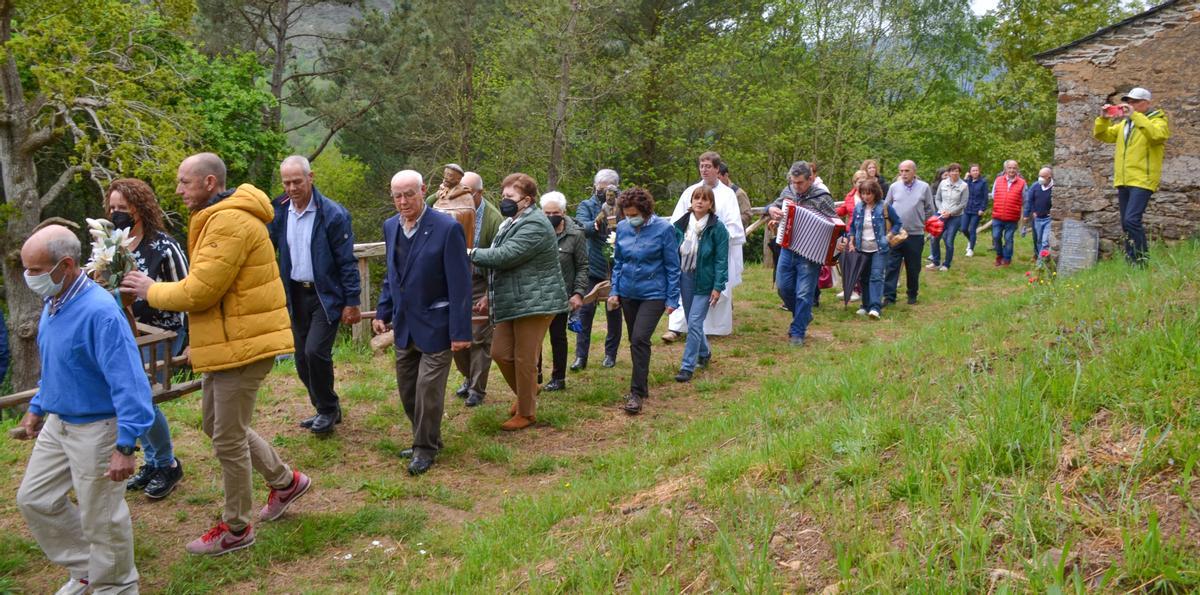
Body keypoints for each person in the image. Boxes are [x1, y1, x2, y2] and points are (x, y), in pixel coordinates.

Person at [121, 153, 310, 556]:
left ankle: (236, 528)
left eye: (184, 182)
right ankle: (285, 481)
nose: (177, 190)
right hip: (228, 342)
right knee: (216, 425)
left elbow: (200, 290)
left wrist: (149, 289)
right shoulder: (218, 215)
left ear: (209, 182)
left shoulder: (228, 221)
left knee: (226, 438)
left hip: (243, 344)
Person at [17, 225, 154, 594]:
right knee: (35, 499)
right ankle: (88, 568)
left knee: (102, 518)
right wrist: (37, 406)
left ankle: (117, 586)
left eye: (35, 270)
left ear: (65, 264)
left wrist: (125, 445)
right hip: (59, 423)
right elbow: (58, 363)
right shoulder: (55, 300)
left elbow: (131, 382)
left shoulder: (99, 312)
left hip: (98, 427)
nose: (29, 278)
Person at [373, 170, 472, 474]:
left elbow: (460, 284)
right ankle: (426, 437)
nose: (403, 202)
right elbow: (393, 276)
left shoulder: (446, 228)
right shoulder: (391, 227)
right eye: (397, 196)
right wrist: (383, 311)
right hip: (404, 325)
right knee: (408, 390)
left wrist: (459, 332)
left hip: (437, 325)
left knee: (428, 391)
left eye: (409, 194)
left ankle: (424, 448)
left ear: (423, 191)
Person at [105, 178, 188, 500]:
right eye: (112, 208)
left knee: (143, 397)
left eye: (122, 208)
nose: (116, 214)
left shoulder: (163, 247)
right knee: (133, 396)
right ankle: (154, 461)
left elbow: (187, 291)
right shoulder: (112, 247)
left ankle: (166, 463)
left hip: (163, 330)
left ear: (139, 208)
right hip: (125, 331)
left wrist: (193, 338)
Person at [268, 155, 361, 435]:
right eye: (286, 182)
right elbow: (265, 244)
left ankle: (327, 410)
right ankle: (325, 405)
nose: (292, 188)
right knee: (300, 359)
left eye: (297, 181)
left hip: (325, 294)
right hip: (294, 293)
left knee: (315, 352)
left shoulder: (332, 214)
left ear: (311, 177)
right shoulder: (279, 210)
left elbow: (347, 261)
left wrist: (352, 302)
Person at [470, 173, 567, 430]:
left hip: (536, 301)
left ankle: (526, 413)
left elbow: (505, 255)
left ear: (527, 199)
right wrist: (489, 296)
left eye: (510, 197)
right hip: (513, 299)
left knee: (525, 358)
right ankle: (529, 391)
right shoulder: (511, 222)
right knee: (500, 352)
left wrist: (469, 253)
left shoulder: (535, 223)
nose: (505, 201)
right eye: (503, 196)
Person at [608, 187, 680, 413]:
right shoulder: (622, 228)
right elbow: (618, 263)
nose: (630, 219)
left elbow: (672, 266)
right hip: (628, 293)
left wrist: (672, 298)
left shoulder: (664, 229)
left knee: (639, 338)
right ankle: (643, 384)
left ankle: (636, 393)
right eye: (626, 215)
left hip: (654, 293)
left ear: (646, 211)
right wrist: (614, 290)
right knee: (635, 340)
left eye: (634, 215)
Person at [662, 151, 745, 342]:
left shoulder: (727, 195)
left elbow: (734, 225)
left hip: (713, 251)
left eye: (708, 166)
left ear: (717, 169)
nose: (704, 170)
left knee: (712, 290)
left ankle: (711, 328)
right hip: (689, 251)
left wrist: (715, 238)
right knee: (685, 289)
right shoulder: (691, 192)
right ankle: (676, 328)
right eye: (701, 166)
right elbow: (677, 221)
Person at [1094, 86, 1170, 265]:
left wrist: (1134, 115)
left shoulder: (1158, 120)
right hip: (1124, 179)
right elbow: (1102, 135)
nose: (1130, 104)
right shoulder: (1125, 124)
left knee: (1131, 220)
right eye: (1128, 101)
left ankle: (1141, 260)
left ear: (1146, 103)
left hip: (1143, 179)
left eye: (1135, 101)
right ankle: (1132, 260)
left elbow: (1157, 136)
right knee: (1126, 223)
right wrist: (1103, 119)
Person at [767, 161, 838, 345]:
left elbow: (836, 224)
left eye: (800, 183)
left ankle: (798, 332)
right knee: (783, 288)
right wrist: (772, 210)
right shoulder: (788, 190)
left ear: (811, 179)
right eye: (793, 182)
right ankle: (804, 315)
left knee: (804, 294)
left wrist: (840, 242)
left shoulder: (823, 197)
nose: (796, 186)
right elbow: (773, 206)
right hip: (787, 247)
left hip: (810, 253)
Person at [452, 172, 502, 407]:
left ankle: (477, 390)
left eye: (467, 192)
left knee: (480, 337)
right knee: (455, 334)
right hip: (453, 281)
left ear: (479, 193)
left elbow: (498, 261)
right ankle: (468, 376)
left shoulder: (494, 219)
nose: (461, 196)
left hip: (479, 280)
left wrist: (488, 295)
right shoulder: (449, 206)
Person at [672, 185, 728, 382]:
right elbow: (671, 253)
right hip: (685, 277)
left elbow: (722, 259)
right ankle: (704, 353)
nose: (700, 202)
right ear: (691, 201)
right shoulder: (680, 225)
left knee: (695, 322)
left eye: (704, 199)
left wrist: (718, 286)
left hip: (705, 280)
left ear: (711, 204)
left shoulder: (717, 228)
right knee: (692, 321)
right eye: (696, 198)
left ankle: (687, 366)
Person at [572, 169, 623, 370]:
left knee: (614, 310)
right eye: (602, 189)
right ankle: (580, 356)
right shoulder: (587, 205)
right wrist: (598, 222)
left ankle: (610, 354)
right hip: (592, 263)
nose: (605, 194)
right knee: (585, 310)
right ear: (595, 187)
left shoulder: (622, 203)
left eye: (609, 189)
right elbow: (581, 227)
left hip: (616, 264)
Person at [539, 191, 587, 392]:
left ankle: (559, 378)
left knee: (558, 336)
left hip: (562, 293)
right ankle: (535, 375)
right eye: (547, 212)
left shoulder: (576, 234)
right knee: (534, 338)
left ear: (564, 211)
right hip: (538, 293)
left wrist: (578, 293)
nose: (551, 216)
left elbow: (583, 266)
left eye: (555, 212)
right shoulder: (536, 231)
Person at [846, 179, 902, 320]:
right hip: (861, 248)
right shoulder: (858, 207)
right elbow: (852, 226)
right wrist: (851, 240)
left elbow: (898, 223)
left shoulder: (884, 206)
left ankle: (875, 307)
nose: (866, 196)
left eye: (869, 193)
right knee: (863, 278)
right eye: (863, 193)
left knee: (876, 276)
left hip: (879, 249)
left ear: (875, 193)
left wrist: (888, 237)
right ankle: (865, 305)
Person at [882, 160, 935, 305]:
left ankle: (912, 294)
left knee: (913, 267)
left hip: (915, 234)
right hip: (896, 233)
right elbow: (886, 207)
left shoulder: (924, 187)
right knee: (892, 266)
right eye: (901, 171)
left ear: (914, 172)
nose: (904, 174)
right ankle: (889, 297)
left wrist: (924, 223)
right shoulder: (894, 187)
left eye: (907, 171)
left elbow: (930, 209)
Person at [929, 163, 967, 271]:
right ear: (949, 172)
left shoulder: (964, 186)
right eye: (952, 171)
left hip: (955, 217)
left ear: (960, 173)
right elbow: (938, 199)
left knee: (949, 241)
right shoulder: (943, 183)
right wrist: (941, 210)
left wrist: (950, 212)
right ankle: (936, 262)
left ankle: (946, 264)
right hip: (941, 214)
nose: (954, 173)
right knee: (934, 238)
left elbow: (963, 204)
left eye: (957, 171)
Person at [990, 160, 1025, 267]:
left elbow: (1025, 198)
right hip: (998, 215)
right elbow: (993, 195)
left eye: (1014, 168)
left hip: (1012, 217)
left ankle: (1007, 258)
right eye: (1009, 168)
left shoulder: (1022, 183)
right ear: (1005, 169)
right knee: (996, 237)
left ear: (1017, 170)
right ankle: (999, 255)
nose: (1012, 170)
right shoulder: (998, 180)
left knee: (1008, 239)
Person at [1023, 166, 1055, 264]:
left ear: (1049, 177)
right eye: (1039, 176)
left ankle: (1040, 264)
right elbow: (1029, 200)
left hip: (1048, 219)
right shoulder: (1035, 186)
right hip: (1037, 219)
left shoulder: (1055, 188)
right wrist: (1030, 212)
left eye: (1043, 176)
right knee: (1039, 240)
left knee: (1045, 242)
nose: (1040, 178)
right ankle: (1039, 256)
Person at [962, 164, 988, 257]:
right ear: (970, 172)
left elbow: (985, 197)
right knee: (964, 228)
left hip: (977, 210)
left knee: (972, 229)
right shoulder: (967, 182)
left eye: (977, 170)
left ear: (979, 171)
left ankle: (970, 249)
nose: (975, 172)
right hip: (967, 208)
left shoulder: (983, 182)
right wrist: (965, 178)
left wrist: (982, 208)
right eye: (973, 170)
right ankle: (971, 240)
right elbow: (961, 189)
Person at [717, 162, 753, 228]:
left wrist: (730, 223)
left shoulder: (739, 193)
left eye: (718, 178)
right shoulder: (712, 191)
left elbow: (747, 215)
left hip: (735, 233)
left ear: (726, 175)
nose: (716, 180)